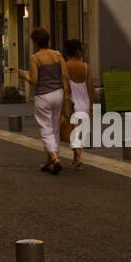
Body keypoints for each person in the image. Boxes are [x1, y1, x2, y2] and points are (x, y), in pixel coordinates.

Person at [19, 28, 71, 174]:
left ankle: (55, 158)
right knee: (54, 127)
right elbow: (65, 75)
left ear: (35, 42)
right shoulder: (57, 55)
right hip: (58, 93)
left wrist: (25, 76)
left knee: (46, 128)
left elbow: (34, 81)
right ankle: (50, 162)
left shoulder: (35, 58)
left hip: (43, 96)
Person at [65, 39, 93, 168]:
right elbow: (90, 88)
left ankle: (78, 156)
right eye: (82, 49)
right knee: (80, 132)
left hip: (72, 103)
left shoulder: (65, 66)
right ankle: (76, 160)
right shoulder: (86, 67)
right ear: (77, 51)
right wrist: (91, 105)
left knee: (73, 131)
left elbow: (65, 87)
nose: (83, 52)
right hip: (85, 103)